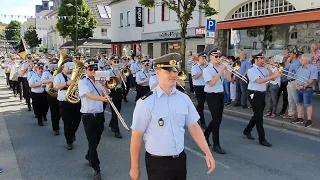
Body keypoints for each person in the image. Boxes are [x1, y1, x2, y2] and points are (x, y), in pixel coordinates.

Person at [130, 53, 215, 180]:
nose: (173, 74)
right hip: (157, 163)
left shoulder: (184, 99)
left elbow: (194, 127)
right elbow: (136, 136)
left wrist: (207, 152)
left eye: (175, 70)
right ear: (158, 73)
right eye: (168, 71)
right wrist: (135, 167)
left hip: (179, 160)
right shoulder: (146, 102)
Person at [78, 59, 110, 180]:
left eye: (95, 69)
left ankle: (89, 155)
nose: (93, 71)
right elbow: (88, 95)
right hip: (88, 116)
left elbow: (107, 92)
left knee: (97, 139)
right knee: (92, 141)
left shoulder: (99, 82)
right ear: (86, 70)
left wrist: (104, 85)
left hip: (100, 115)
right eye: (90, 69)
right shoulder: (82, 82)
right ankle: (97, 168)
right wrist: (103, 99)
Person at [243, 52, 281, 147]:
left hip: (261, 94)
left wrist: (270, 69)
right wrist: (272, 76)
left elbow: (272, 78)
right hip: (253, 94)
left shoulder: (264, 69)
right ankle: (262, 139)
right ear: (256, 60)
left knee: (257, 114)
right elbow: (259, 81)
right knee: (259, 116)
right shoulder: (251, 70)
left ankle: (247, 130)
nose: (263, 60)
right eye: (261, 59)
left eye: (263, 59)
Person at [203, 48, 231, 154]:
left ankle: (206, 134)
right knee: (216, 120)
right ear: (211, 57)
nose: (218, 58)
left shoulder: (221, 67)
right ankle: (216, 145)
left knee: (217, 119)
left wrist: (227, 69)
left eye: (219, 56)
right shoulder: (207, 69)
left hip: (220, 95)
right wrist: (220, 71)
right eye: (216, 56)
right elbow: (211, 83)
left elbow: (228, 79)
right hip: (211, 96)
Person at [54, 59, 81, 150]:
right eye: (68, 66)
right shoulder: (58, 76)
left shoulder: (76, 76)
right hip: (64, 103)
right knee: (67, 123)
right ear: (63, 67)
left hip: (76, 101)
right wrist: (66, 83)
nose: (70, 68)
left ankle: (72, 133)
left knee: (77, 120)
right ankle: (69, 141)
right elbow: (56, 87)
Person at [292, 54, 318, 127]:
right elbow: (296, 77)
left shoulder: (313, 68)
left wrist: (304, 86)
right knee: (299, 103)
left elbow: (312, 79)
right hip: (299, 88)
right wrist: (297, 85)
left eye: (302, 59)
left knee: (308, 104)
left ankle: (309, 120)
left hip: (307, 88)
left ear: (307, 60)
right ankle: (299, 118)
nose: (301, 60)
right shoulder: (300, 68)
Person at [105, 55, 125, 138]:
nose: (116, 63)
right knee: (115, 111)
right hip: (112, 91)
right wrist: (117, 77)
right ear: (111, 62)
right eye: (114, 62)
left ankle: (111, 123)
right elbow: (108, 83)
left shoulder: (120, 70)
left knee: (118, 110)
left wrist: (122, 75)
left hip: (119, 91)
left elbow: (125, 81)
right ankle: (116, 130)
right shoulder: (108, 72)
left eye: (117, 62)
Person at [41, 58, 61, 135]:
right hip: (50, 94)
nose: (54, 66)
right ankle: (55, 128)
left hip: (59, 93)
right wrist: (52, 80)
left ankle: (57, 123)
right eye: (52, 64)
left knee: (59, 112)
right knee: (54, 111)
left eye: (55, 64)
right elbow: (42, 82)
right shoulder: (46, 73)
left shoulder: (60, 73)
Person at [191, 51, 208, 129]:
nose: (204, 59)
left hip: (205, 86)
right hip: (198, 87)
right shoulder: (195, 67)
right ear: (199, 59)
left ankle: (194, 116)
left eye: (205, 58)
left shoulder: (206, 66)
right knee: (201, 104)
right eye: (202, 58)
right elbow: (195, 77)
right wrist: (203, 70)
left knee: (201, 104)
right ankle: (202, 122)